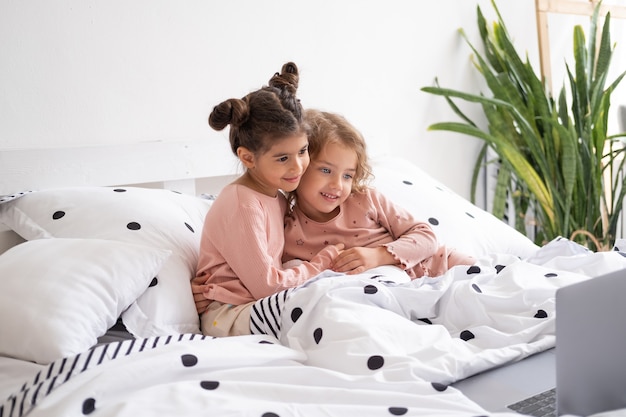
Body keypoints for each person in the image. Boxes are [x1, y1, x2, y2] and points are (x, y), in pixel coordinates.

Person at [194, 63, 342, 337]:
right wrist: (322, 263)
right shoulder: (243, 204)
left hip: (258, 304)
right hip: (229, 314)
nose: (298, 166)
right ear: (248, 157)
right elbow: (267, 286)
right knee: (325, 312)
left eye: (303, 151)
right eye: (283, 158)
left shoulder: (278, 196)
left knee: (339, 299)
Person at [282, 109, 476, 279]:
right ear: (299, 166)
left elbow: (427, 237)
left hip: (443, 266)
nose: (337, 185)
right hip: (399, 293)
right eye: (326, 170)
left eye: (347, 175)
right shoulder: (289, 234)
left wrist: (377, 256)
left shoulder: (365, 200)